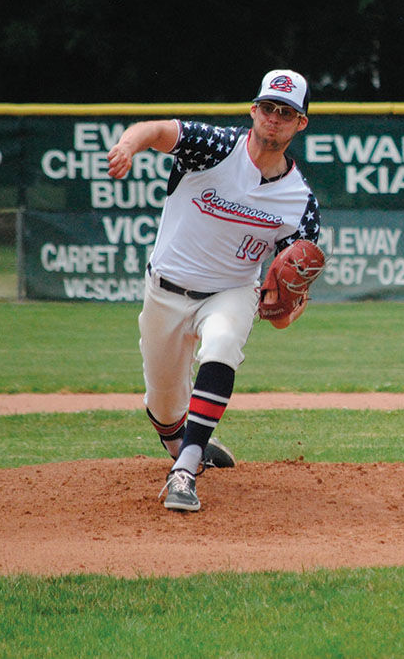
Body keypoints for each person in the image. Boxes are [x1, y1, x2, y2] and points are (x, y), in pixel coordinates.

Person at [104, 69, 321, 512]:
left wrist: (283, 308)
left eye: (286, 112)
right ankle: (183, 440)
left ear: (300, 123)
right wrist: (128, 144)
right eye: (267, 108)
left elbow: (284, 312)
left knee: (222, 344)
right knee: (164, 407)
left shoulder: (300, 203)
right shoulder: (216, 147)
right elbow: (157, 129)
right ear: (253, 110)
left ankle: (185, 468)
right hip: (166, 289)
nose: (274, 118)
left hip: (232, 290)